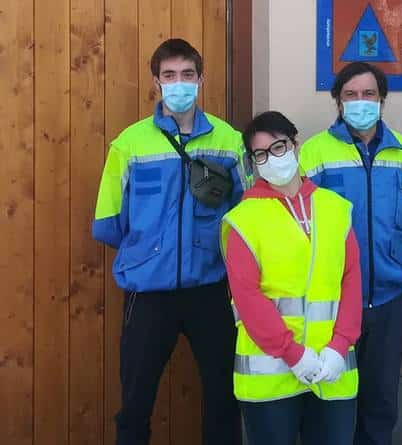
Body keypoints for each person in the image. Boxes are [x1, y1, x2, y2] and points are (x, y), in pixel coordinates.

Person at [92, 39, 248, 444]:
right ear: (156, 82)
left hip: (210, 289)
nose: (179, 84)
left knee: (223, 398)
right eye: (170, 75)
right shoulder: (129, 144)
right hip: (148, 293)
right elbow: (108, 223)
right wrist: (150, 253)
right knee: (135, 403)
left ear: (201, 80)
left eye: (187, 75)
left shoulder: (228, 141)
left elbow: (247, 215)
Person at [222, 111, 362, 445]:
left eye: (278, 147)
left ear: (295, 145)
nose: (272, 159)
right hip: (271, 375)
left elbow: (351, 280)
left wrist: (339, 346)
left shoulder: (335, 208)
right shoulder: (243, 219)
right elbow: (247, 297)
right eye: (260, 154)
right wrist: (293, 353)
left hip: (331, 368)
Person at [299, 62, 402, 445]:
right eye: (350, 94)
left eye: (369, 93)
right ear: (338, 101)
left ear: (382, 99)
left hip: (388, 301)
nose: (360, 101)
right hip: (332, 302)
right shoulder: (313, 153)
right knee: (331, 402)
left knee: (381, 403)